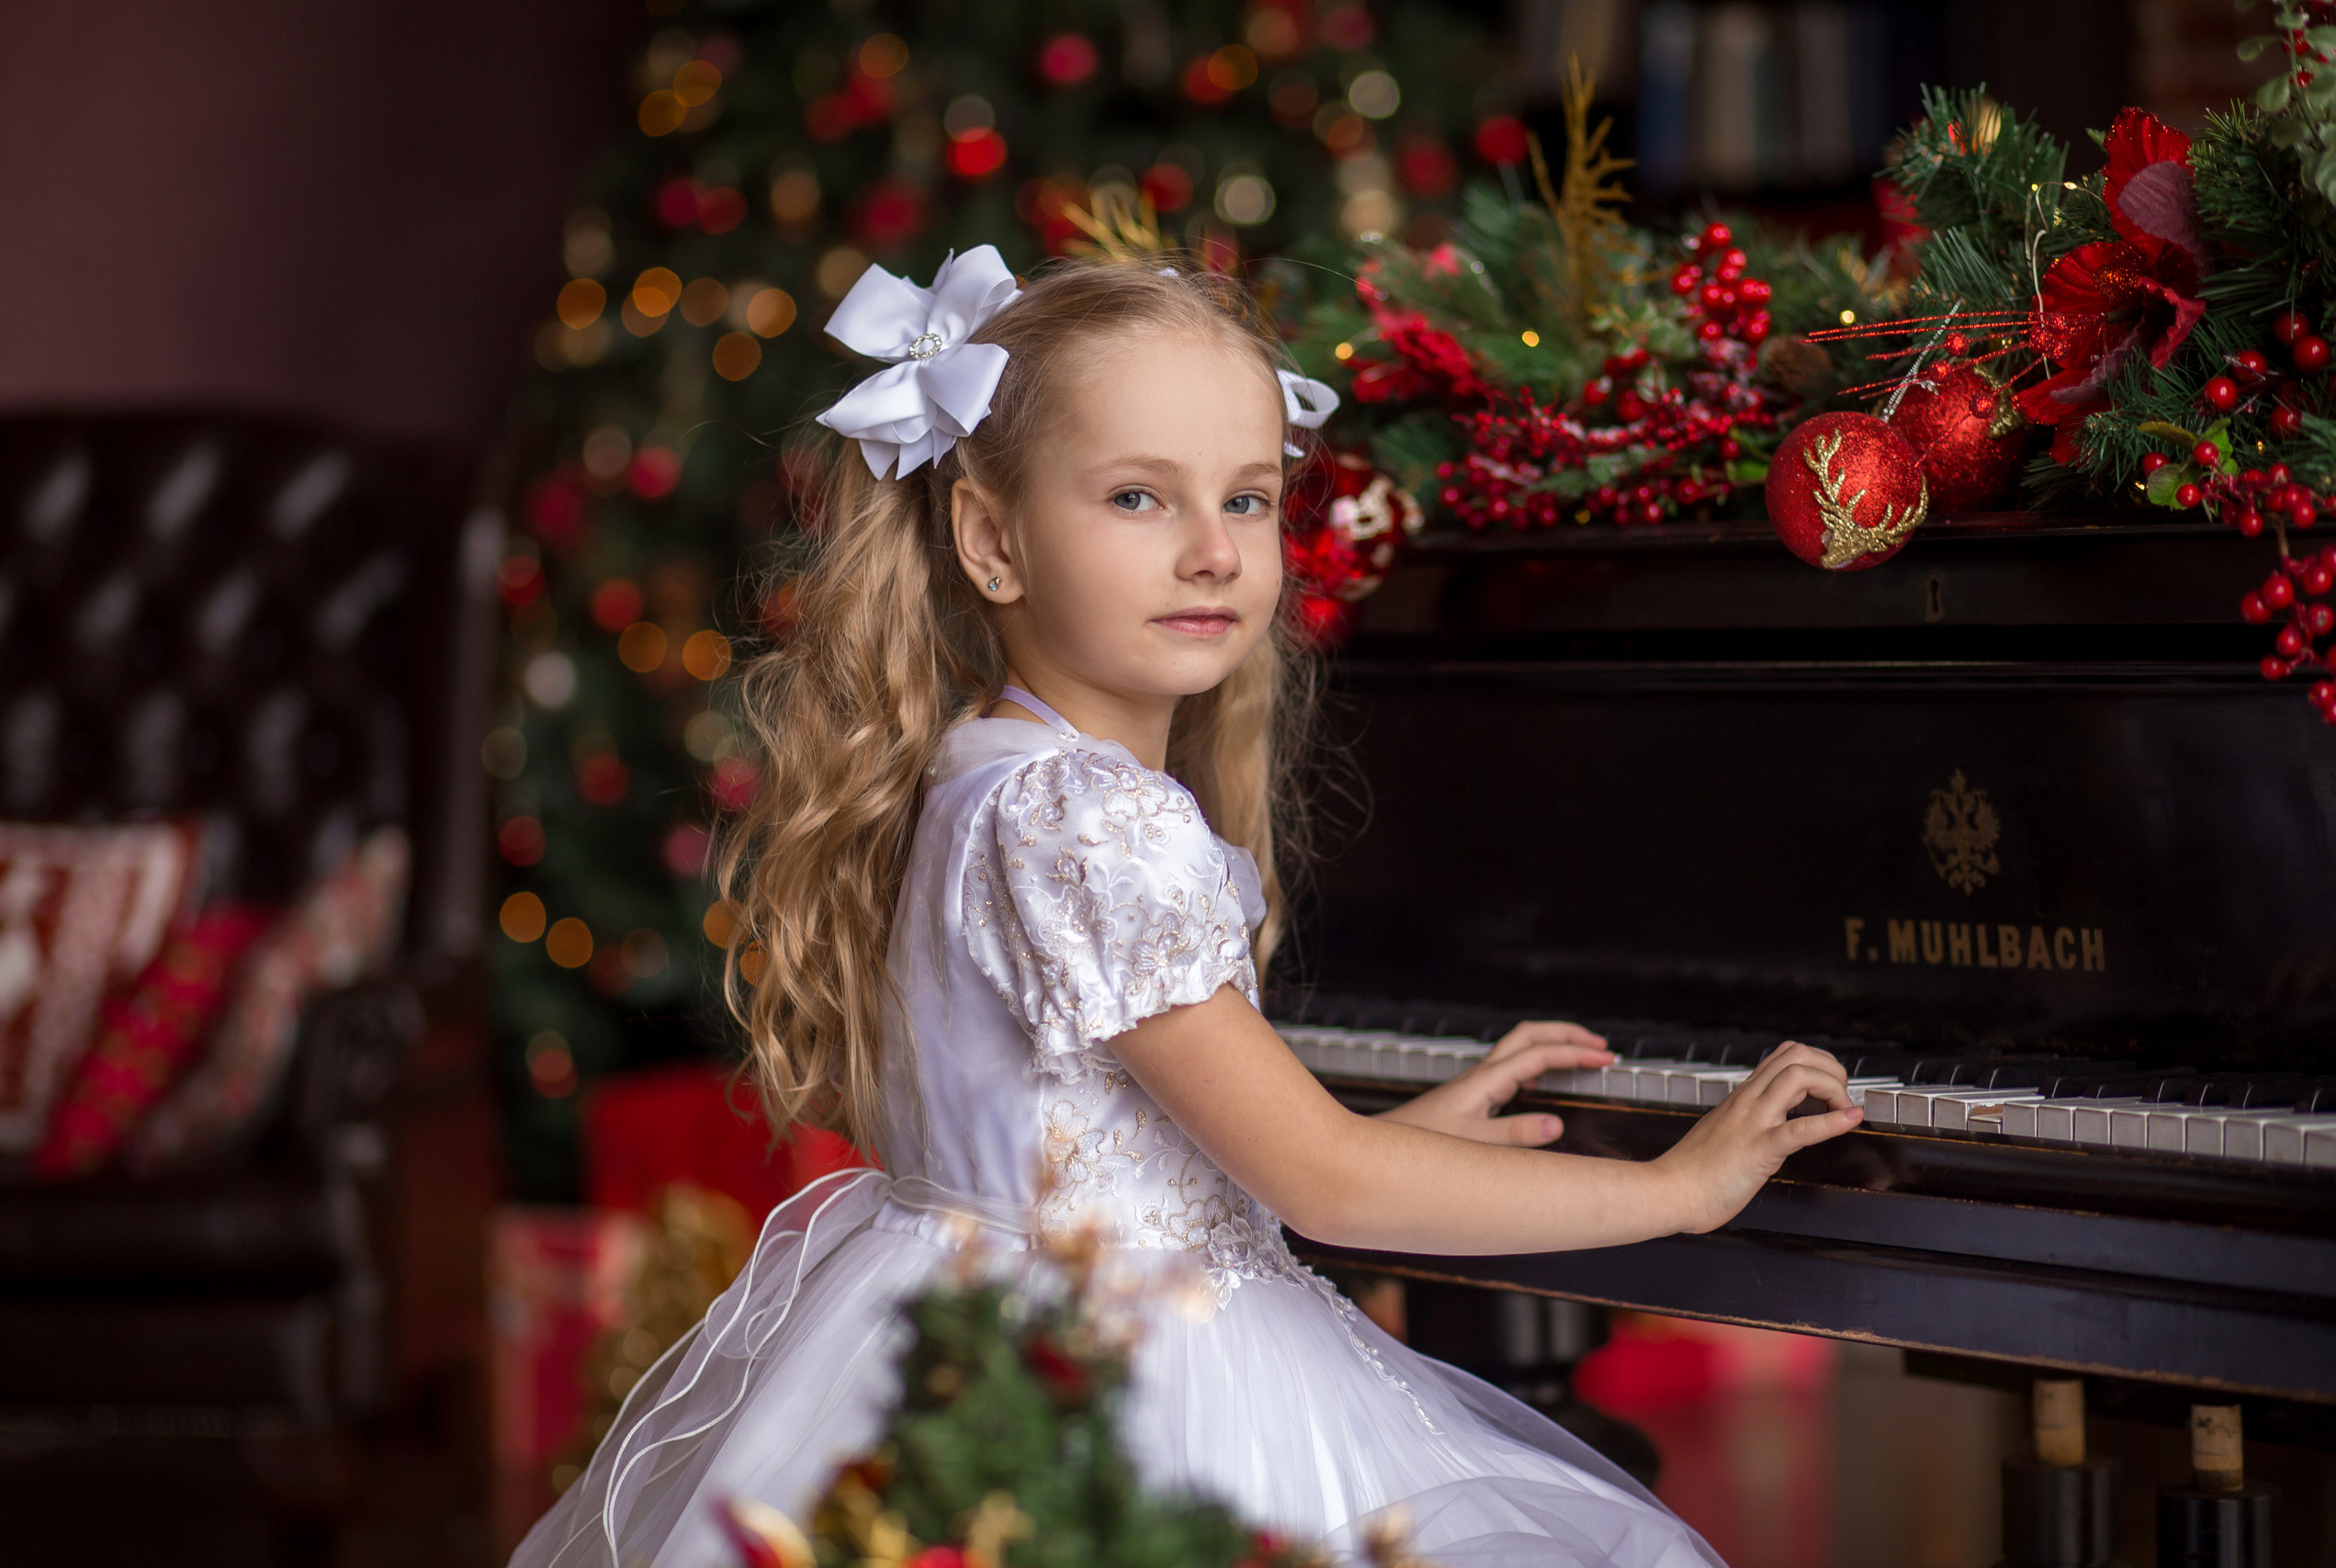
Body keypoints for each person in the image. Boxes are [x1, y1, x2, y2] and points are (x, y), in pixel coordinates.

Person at [512, 248, 1863, 1568]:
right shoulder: (1092, 819)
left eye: (1251, 499)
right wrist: (1677, 1188)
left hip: (972, 1338)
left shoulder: (995, 772)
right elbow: (1319, 1183)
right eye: (1140, 500)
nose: (1214, 552)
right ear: (991, 539)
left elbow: (1120, 1146)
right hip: (1125, 1379)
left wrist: (1409, 1135)